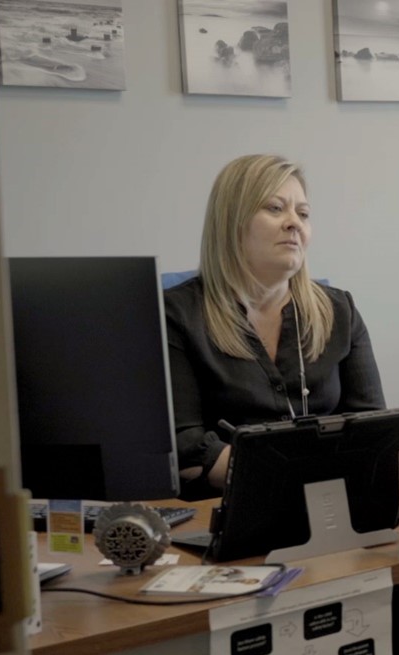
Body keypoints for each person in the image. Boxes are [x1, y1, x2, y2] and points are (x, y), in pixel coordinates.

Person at [165, 154, 386, 500]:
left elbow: (373, 428)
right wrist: (298, 476)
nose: (293, 223)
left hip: (335, 506)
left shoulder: (340, 310)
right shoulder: (177, 315)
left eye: (303, 213)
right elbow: (186, 448)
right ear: (232, 222)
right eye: (274, 208)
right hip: (227, 510)